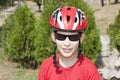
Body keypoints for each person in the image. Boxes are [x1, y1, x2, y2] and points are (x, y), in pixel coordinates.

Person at [38, 6, 101, 80]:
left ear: (81, 38)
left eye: (73, 37)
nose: (67, 43)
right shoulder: (46, 66)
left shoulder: (89, 70)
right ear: (53, 36)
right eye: (61, 36)